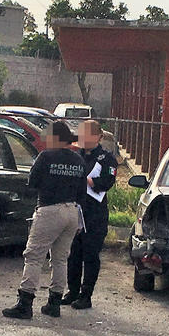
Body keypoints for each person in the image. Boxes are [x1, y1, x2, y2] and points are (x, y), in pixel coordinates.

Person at [2, 120, 86, 320]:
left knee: (34, 256)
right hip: (72, 211)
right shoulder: (79, 160)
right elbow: (82, 192)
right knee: (60, 259)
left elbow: (32, 182)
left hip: (49, 210)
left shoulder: (46, 156)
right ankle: (54, 303)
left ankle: (25, 303)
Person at [63, 119, 118, 309]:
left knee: (90, 255)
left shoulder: (106, 158)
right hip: (75, 211)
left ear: (97, 137)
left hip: (95, 214)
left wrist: (90, 182)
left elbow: (108, 181)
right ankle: (72, 291)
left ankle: (86, 296)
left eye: (87, 134)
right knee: (73, 255)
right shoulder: (75, 156)